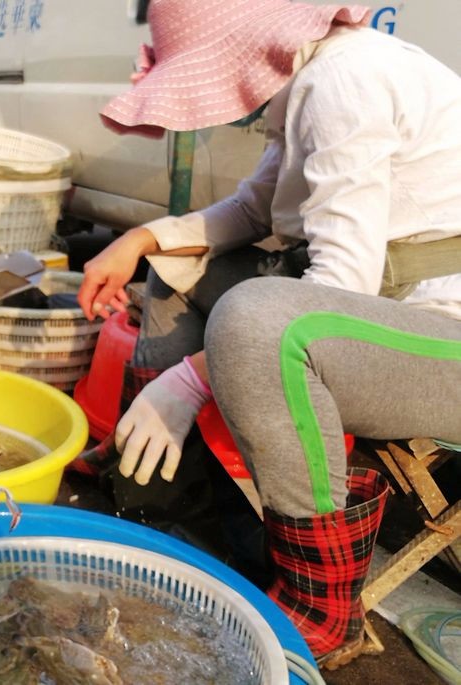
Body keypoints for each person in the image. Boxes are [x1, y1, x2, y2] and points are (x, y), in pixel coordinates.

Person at [79, 0, 461, 667]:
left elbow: (341, 283)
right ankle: (159, 487)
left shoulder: (343, 80)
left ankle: (321, 608)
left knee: (253, 321)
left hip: (441, 338)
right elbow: (256, 207)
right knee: (177, 265)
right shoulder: (310, 76)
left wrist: (189, 378)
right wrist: (139, 241)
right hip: (388, 311)